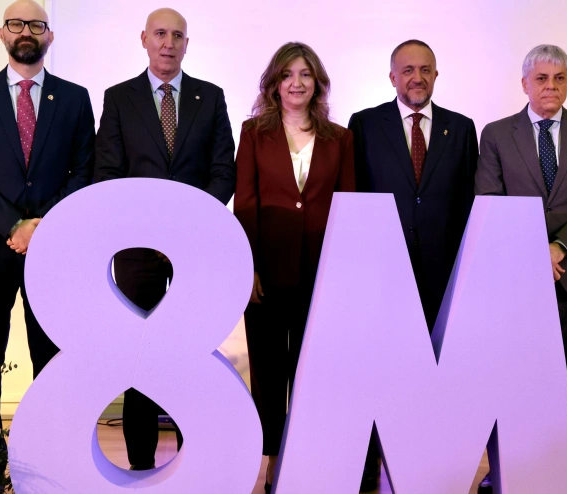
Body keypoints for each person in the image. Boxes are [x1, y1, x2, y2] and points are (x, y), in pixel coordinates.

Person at [92, 8, 235, 471]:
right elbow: (109, 174)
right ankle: (140, 466)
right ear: (144, 40)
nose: (169, 43)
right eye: (160, 34)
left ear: (187, 44)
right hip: (137, 252)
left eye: (177, 35)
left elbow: (222, 170)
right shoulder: (119, 98)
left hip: (195, 248)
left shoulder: (209, 98)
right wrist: (150, 230)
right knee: (141, 360)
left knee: (193, 356)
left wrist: (187, 225)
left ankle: (197, 464)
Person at [474, 44, 567, 492]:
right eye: (541, 78)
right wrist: (532, 252)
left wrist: (558, 247)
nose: (550, 86)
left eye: (559, 78)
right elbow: (490, 201)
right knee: (514, 375)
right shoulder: (497, 135)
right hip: (515, 280)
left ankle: (560, 471)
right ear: (525, 84)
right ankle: (508, 469)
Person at [0, 0, 94, 432]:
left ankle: (50, 455)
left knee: (50, 360)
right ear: (2, 33)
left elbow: (84, 171)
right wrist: (15, 225)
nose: (25, 30)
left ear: (50, 35)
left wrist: (40, 226)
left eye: (36, 24)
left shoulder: (74, 97)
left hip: (54, 252)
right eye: (16, 23)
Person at [347, 39, 478, 492]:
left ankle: (429, 463)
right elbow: (356, 199)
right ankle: (372, 464)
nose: (416, 77)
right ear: (392, 77)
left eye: (425, 69)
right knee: (379, 372)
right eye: (407, 70)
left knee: (438, 373)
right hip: (383, 274)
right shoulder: (363, 126)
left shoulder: (461, 130)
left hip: (443, 274)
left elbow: (467, 204)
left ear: (436, 75)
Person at [234, 42, 354, 493]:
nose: (297, 83)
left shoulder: (340, 138)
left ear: (317, 83)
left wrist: (341, 275)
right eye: (288, 75)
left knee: (313, 373)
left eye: (305, 74)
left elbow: (349, 208)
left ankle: (306, 466)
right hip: (265, 276)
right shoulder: (253, 132)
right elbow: (245, 204)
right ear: (274, 83)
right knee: (267, 374)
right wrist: (248, 268)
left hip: (321, 277)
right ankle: (269, 465)